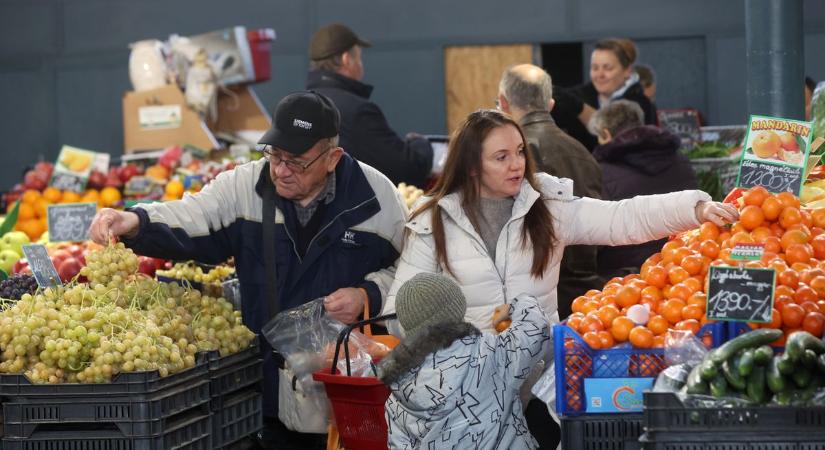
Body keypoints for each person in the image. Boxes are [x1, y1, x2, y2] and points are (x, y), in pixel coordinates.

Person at [381, 109, 737, 448]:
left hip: (543, 384)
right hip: (470, 396)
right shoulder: (433, 222)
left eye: (519, 151)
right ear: (471, 166)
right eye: (501, 156)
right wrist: (458, 344)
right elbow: (400, 312)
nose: (517, 163)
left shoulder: (547, 205)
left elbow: (622, 218)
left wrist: (694, 208)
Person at [88, 91, 408, 450]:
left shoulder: (377, 198)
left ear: (332, 157)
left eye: (297, 161)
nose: (281, 170)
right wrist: (133, 220)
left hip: (347, 395)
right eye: (275, 155)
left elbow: (411, 271)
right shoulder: (243, 187)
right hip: (267, 389)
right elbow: (194, 216)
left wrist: (369, 294)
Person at [379, 272, 551, 450]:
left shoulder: (397, 394)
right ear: (457, 308)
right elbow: (536, 329)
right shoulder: (490, 354)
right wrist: (519, 303)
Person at [497, 64, 603, 319]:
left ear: (503, 103)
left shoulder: (512, 158)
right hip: (590, 300)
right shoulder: (584, 152)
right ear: (552, 104)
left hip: (536, 298)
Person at [305, 23, 434, 188]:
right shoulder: (356, 111)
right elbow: (408, 169)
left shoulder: (297, 105)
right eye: (359, 58)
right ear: (347, 60)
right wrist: (420, 144)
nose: (361, 65)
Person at [589, 100, 698, 279]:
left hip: (623, 276)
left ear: (606, 134)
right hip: (678, 265)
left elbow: (596, 234)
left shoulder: (602, 172)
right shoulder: (680, 160)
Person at [561, 38, 657, 151]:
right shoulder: (577, 95)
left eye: (608, 68)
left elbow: (615, 139)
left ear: (627, 71)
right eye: (594, 68)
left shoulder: (641, 104)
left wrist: (580, 109)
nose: (600, 74)